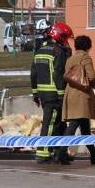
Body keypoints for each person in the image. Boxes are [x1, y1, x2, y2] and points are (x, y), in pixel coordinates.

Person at [30, 22, 73, 165]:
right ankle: (42, 153)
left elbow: (33, 73)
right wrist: (61, 95)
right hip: (54, 94)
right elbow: (58, 74)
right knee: (50, 124)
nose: (66, 41)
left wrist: (35, 93)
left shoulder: (39, 50)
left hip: (43, 93)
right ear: (59, 37)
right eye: (65, 38)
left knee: (57, 123)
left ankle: (57, 151)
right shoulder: (57, 51)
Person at [63, 35, 95, 165]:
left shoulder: (70, 59)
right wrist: (92, 84)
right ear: (88, 46)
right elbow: (91, 76)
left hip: (70, 93)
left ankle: (94, 155)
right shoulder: (85, 57)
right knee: (74, 125)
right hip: (81, 95)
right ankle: (60, 152)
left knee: (85, 127)